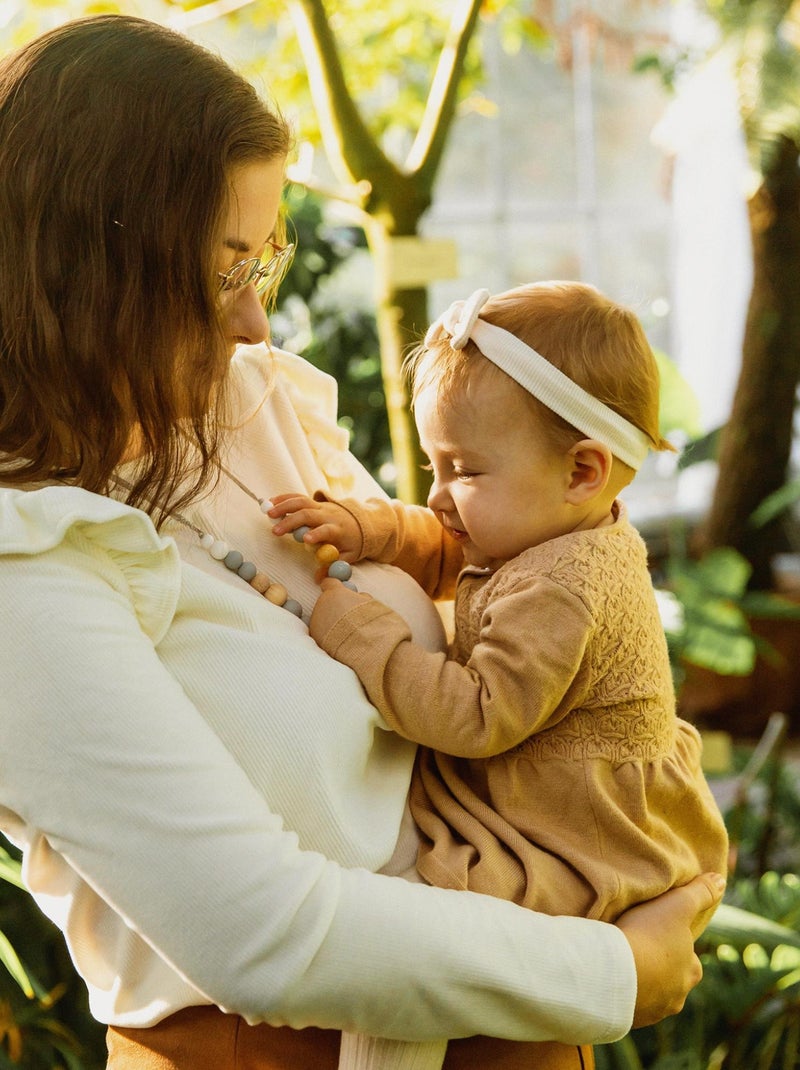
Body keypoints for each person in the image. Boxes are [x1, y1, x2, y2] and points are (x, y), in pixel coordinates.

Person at [0, 15, 725, 1070]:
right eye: (218, 272)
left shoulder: (252, 404)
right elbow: (265, 931)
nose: (256, 322)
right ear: (83, 272)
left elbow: (475, 583)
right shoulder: (30, 560)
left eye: (265, 260)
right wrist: (617, 969)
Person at [269, 283, 729, 1070]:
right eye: (430, 465)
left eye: (463, 470)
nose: (438, 495)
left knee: (433, 921)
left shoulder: (566, 587)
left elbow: (478, 716)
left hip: (578, 834)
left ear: (583, 469)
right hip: (546, 799)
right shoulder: (545, 526)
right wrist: (369, 526)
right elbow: (450, 548)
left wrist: (364, 638)